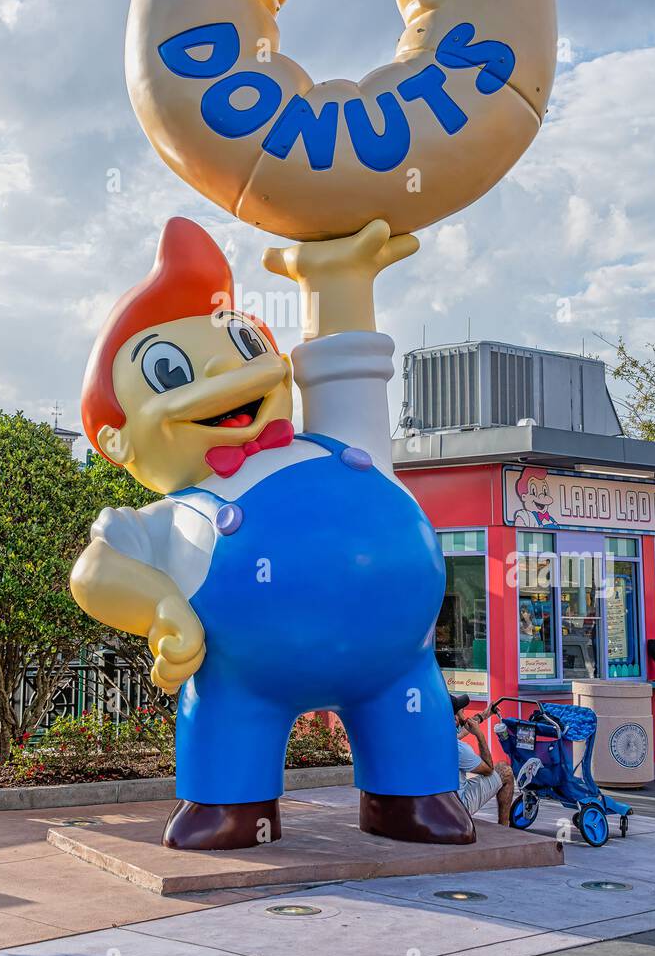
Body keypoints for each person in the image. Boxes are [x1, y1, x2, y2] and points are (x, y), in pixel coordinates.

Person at [71, 217, 475, 851]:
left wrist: (337, 275)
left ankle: (410, 792)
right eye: (173, 372)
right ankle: (232, 804)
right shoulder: (174, 515)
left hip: (397, 664)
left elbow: (347, 365)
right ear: (115, 439)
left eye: (244, 345)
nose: (233, 376)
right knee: (232, 717)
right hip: (245, 675)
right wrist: (161, 607)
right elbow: (96, 569)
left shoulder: (338, 436)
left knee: (408, 722)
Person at [451, 694, 515, 826]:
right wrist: (479, 735)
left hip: (439, 802)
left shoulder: (435, 736)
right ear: (455, 719)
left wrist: (484, 715)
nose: (464, 711)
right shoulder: (460, 749)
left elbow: (462, 731)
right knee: (505, 771)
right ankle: (504, 829)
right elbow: (488, 769)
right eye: (461, 709)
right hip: (458, 806)